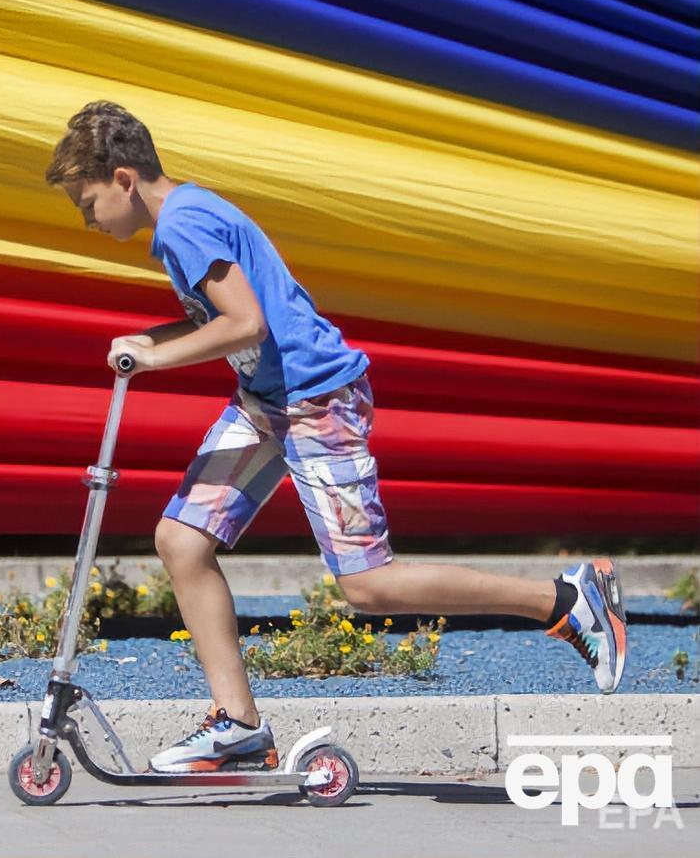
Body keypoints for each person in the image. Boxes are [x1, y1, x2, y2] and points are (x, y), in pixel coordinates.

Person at [44, 101, 628, 774]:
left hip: (315, 399)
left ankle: (566, 598)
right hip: (268, 401)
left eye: (88, 203)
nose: (88, 220)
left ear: (122, 179)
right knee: (181, 538)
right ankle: (237, 724)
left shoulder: (182, 223)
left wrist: (152, 357)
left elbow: (245, 323)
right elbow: (229, 318)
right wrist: (149, 339)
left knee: (370, 586)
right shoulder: (186, 211)